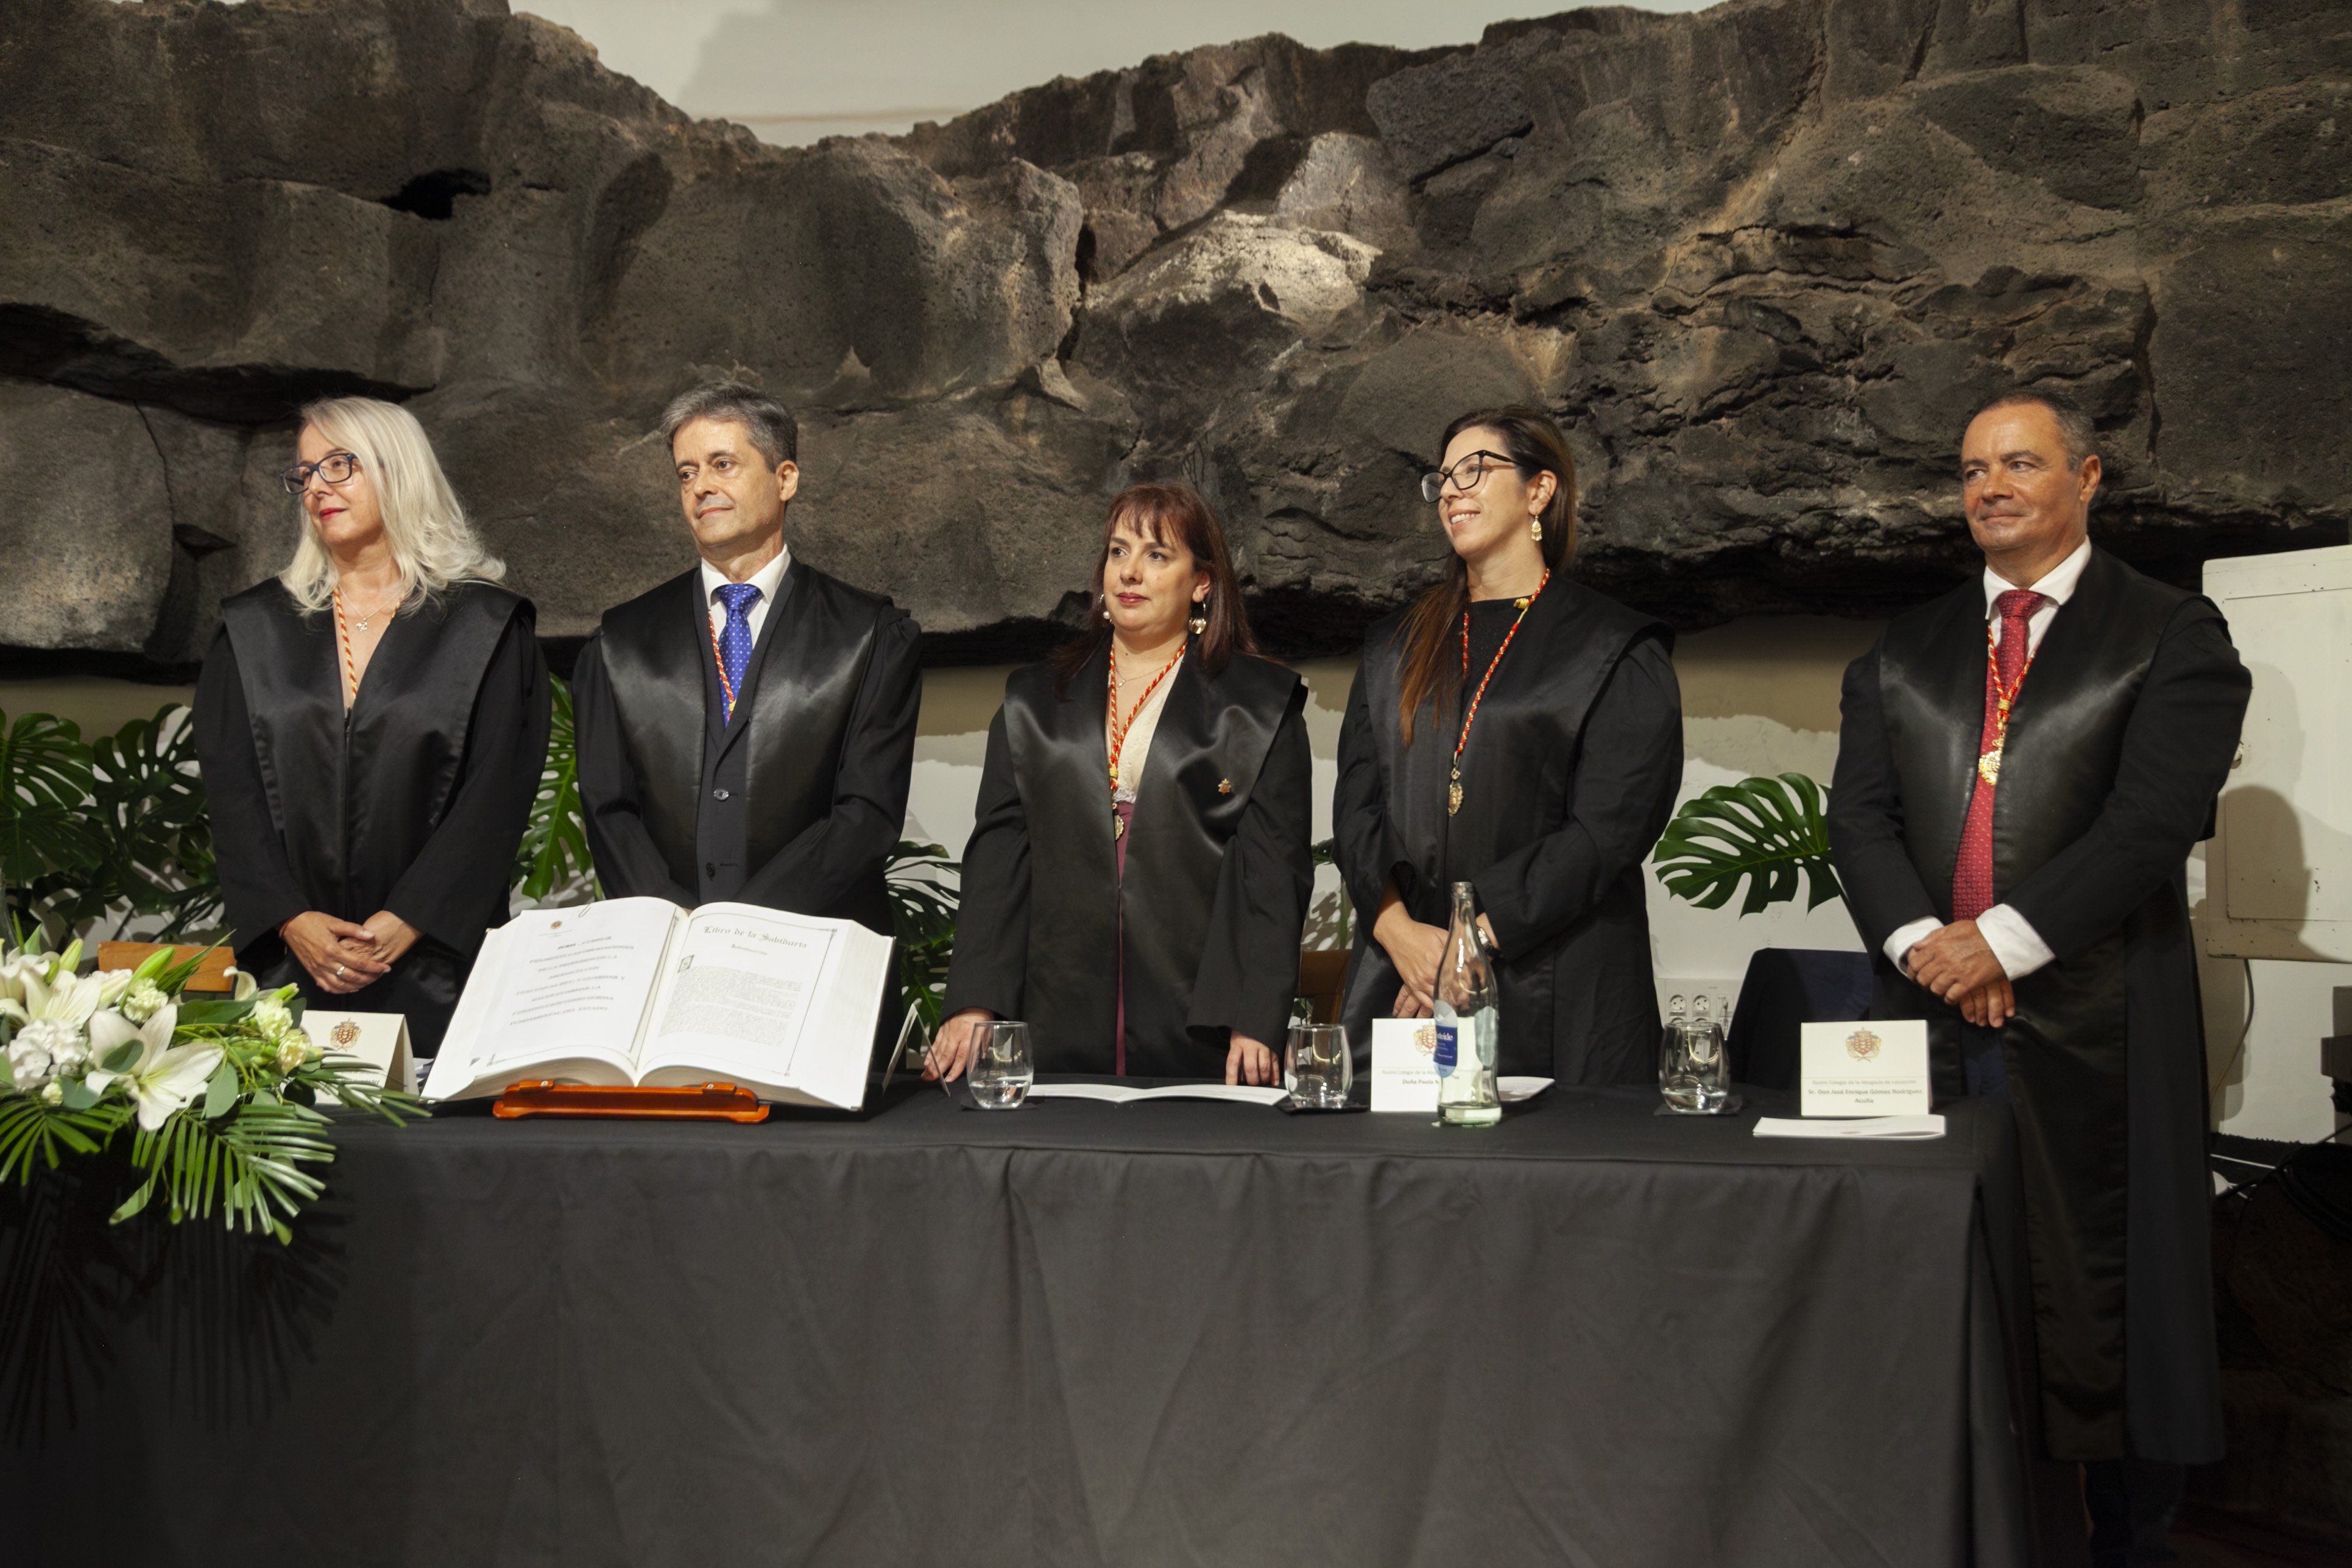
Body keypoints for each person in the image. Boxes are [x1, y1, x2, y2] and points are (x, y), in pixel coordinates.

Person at [1826, 390, 2251, 1564]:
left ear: (2089, 477)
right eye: (1971, 468)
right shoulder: (1903, 646)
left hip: (2096, 1012)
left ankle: (2119, 1538)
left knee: (2103, 1306)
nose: (1990, 487)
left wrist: (2000, 941)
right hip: (1922, 1010)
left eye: (2020, 462)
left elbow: (2150, 823)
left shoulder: (2171, 632)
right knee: (1930, 1280)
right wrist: (1929, 945)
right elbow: (1856, 819)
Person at [1332, 406, 1682, 1082]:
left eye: (1477, 469)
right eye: (1443, 479)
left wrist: (1475, 939)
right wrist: (1398, 931)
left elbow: (1608, 829)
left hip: (1560, 980)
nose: (1453, 490)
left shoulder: (1613, 646)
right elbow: (1357, 809)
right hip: (1408, 975)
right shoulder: (1393, 649)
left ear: (1539, 491)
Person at [194, 397, 551, 1053]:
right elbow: (233, 792)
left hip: (435, 961)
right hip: (291, 965)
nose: (317, 489)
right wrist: (291, 919)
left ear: (399, 470)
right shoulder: (253, 630)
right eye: (305, 474)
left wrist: (411, 917)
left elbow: (497, 792)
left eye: (339, 465)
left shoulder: (486, 627)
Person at [932, 481, 1312, 1085]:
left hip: (1200, 1012)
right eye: (1118, 551)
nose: (1130, 572)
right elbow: (998, 857)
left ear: (1202, 582)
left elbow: (1274, 872)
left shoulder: (1259, 706)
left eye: (1157, 556)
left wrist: (1256, 1015)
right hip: (1054, 1004)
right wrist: (976, 1000)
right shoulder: (1034, 699)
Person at [571, 382, 920, 937]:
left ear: (785, 479)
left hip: (813, 947)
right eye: (686, 473)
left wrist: (745, 928)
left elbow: (865, 813)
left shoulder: (869, 634)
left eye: (722, 464)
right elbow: (610, 811)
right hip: (668, 947)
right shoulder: (621, 642)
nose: (701, 487)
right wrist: (673, 920)